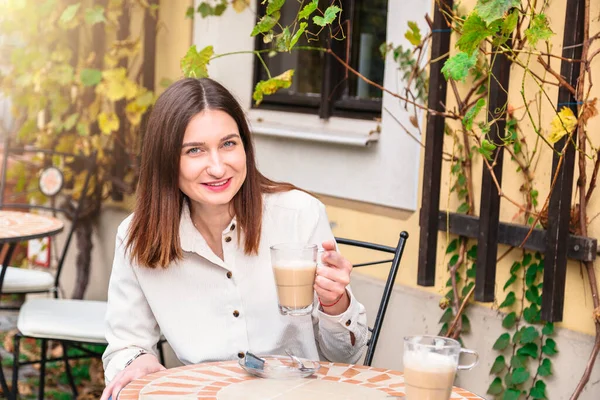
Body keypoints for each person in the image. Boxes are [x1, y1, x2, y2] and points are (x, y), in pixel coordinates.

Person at [100, 78, 368, 400]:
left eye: (228, 144)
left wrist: (335, 303)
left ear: (245, 146)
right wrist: (138, 360)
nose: (217, 167)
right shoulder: (137, 237)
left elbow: (348, 358)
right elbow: (125, 347)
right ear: (166, 160)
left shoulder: (299, 216)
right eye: (195, 150)